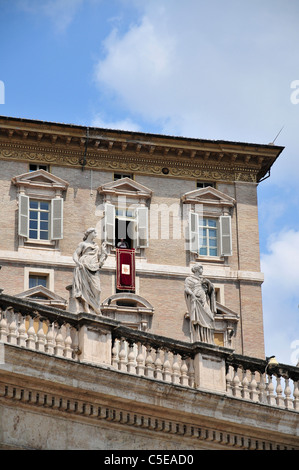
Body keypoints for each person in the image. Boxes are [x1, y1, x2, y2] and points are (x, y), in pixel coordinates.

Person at [72, 228, 108, 314]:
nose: (96, 234)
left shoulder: (96, 246)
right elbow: (75, 254)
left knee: (97, 289)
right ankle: (87, 308)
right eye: (94, 232)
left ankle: (95, 308)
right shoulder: (82, 244)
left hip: (94, 267)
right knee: (85, 288)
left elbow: (100, 259)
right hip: (84, 265)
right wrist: (78, 263)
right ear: (89, 233)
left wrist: (103, 250)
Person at [184, 264, 216, 343]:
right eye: (202, 268)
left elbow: (210, 289)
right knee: (198, 321)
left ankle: (208, 340)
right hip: (196, 301)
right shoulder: (189, 279)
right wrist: (192, 295)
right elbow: (186, 288)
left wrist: (208, 283)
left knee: (211, 318)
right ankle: (200, 339)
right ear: (198, 269)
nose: (202, 270)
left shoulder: (203, 280)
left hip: (204, 301)